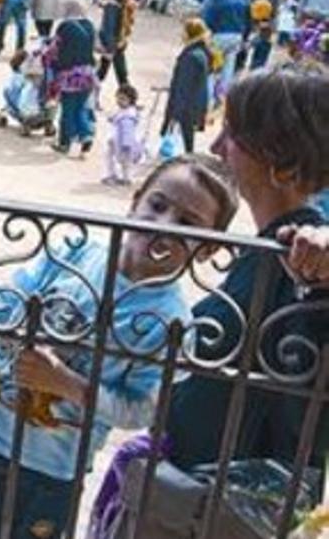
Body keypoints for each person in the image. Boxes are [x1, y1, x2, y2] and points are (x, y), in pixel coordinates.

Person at [0, 154, 238, 537]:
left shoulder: (172, 325)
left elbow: (140, 411)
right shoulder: (75, 253)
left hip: (51, 474)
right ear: (134, 201)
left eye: (187, 223)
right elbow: (2, 302)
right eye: (157, 204)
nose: (164, 225)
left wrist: (65, 384)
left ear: (208, 249)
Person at [93, 67, 329, 536]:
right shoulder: (275, 248)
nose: (219, 147)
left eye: (233, 136)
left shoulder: (306, 255)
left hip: (224, 513)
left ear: (280, 162)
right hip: (201, 502)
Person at [50, 0, 100, 157]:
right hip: (88, 73)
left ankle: (65, 142)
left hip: (69, 74)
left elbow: (56, 48)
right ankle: (86, 135)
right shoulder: (90, 25)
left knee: (68, 109)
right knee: (82, 107)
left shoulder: (64, 26)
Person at [161, 19, 213, 155]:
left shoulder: (191, 56)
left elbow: (184, 86)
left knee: (183, 139)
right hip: (194, 104)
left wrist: (175, 111)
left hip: (186, 106)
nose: (181, 34)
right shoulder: (202, 52)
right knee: (187, 138)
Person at [96, 0, 136, 89]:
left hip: (116, 44)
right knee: (105, 73)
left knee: (118, 72)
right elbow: (109, 28)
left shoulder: (121, 5)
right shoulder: (112, 6)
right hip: (112, 44)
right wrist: (111, 47)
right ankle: (88, 94)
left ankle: (127, 96)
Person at [103, 85, 143, 186]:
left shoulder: (128, 116)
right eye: (118, 98)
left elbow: (127, 132)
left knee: (123, 161)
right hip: (116, 140)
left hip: (123, 143)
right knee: (117, 159)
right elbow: (116, 117)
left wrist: (126, 143)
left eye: (123, 99)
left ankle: (120, 177)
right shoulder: (126, 111)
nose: (119, 101)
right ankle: (121, 177)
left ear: (130, 100)